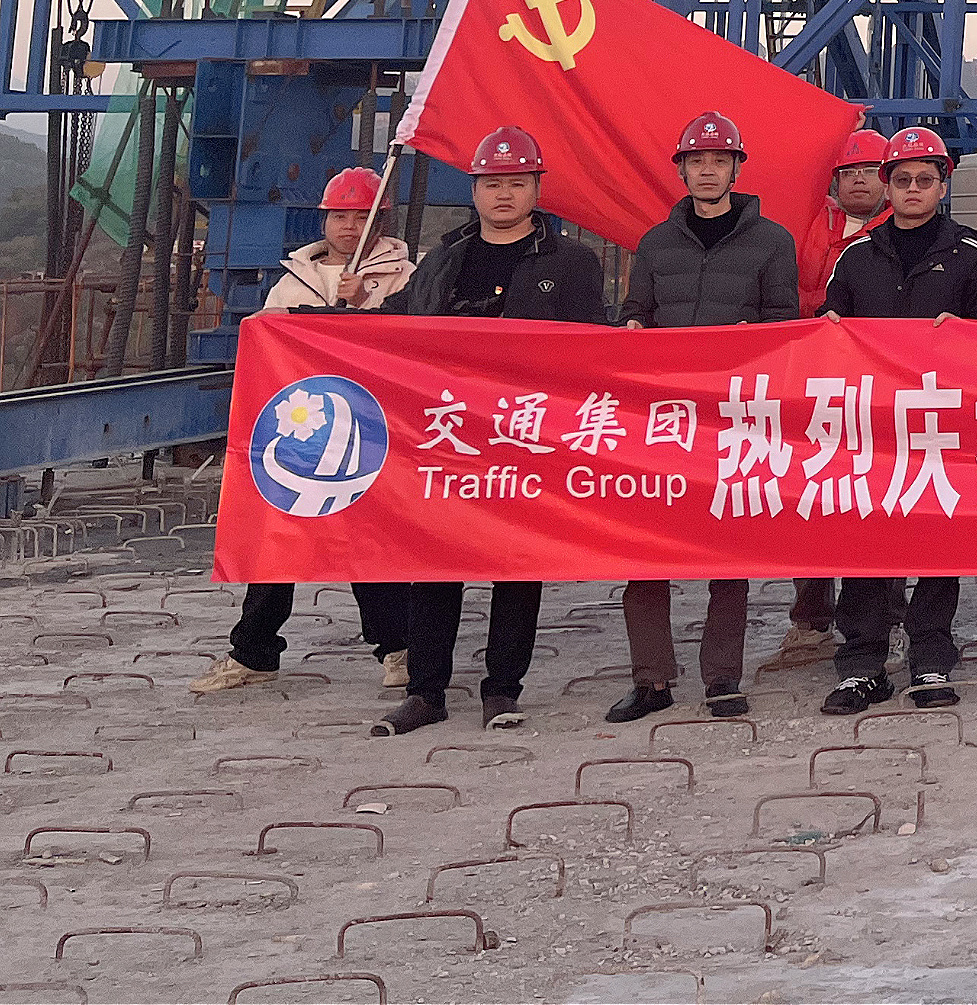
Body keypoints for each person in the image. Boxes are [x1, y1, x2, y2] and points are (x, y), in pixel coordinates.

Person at [373, 125, 610, 736]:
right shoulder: (444, 260)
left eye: (517, 183)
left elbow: (593, 351)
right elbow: (394, 330)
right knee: (435, 565)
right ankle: (426, 693)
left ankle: (502, 690)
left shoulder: (571, 264)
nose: (504, 194)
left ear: (537, 189)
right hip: (449, 434)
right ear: (474, 190)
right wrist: (308, 322)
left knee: (516, 566)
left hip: (524, 434)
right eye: (493, 183)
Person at [196, 166, 412, 698]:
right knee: (280, 538)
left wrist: (362, 305)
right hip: (302, 433)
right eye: (339, 216)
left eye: (360, 217)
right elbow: (266, 347)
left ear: (381, 223)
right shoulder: (293, 279)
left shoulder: (405, 277)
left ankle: (397, 647)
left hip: (370, 432)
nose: (348, 227)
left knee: (366, 540)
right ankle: (253, 652)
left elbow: (412, 340)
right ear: (324, 220)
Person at [611, 111, 798, 723]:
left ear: (737, 168)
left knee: (727, 550)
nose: (708, 170)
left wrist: (751, 339)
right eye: (697, 161)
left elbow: (784, 321)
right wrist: (631, 325)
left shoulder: (772, 242)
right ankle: (651, 679)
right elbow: (636, 309)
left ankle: (722, 677)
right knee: (645, 548)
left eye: (719, 160)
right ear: (683, 170)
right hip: (664, 416)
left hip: (732, 415)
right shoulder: (655, 243)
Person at [821, 124, 977, 715]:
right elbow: (828, 330)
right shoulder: (856, 257)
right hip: (871, 428)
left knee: (938, 543)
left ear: (943, 186)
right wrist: (828, 328)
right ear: (887, 187)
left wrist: (969, 334)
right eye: (902, 179)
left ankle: (930, 656)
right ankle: (861, 665)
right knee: (867, 542)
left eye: (925, 179)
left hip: (943, 426)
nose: (913, 188)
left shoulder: (967, 255)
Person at [767, 126, 893, 674]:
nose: (859, 180)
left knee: (882, 503)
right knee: (811, 497)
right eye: (849, 172)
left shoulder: (901, 231)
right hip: (812, 384)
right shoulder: (808, 229)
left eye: (868, 171)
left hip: (880, 392)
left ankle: (887, 620)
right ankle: (811, 620)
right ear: (834, 181)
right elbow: (785, 291)